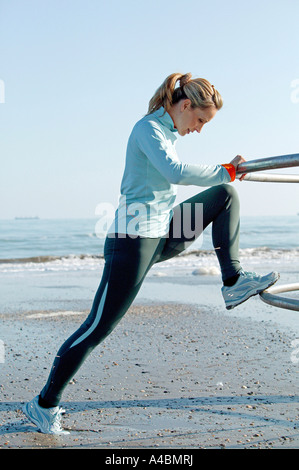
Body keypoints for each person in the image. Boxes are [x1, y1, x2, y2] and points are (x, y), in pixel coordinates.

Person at [23, 73, 279, 434]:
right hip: (132, 239)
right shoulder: (147, 129)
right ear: (186, 105)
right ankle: (43, 404)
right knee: (98, 327)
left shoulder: (168, 133)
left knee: (224, 195)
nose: (200, 129)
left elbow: (185, 176)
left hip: (163, 231)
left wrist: (228, 175)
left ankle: (233, 280)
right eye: (201, 120)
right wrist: (226, 170)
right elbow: (172, 172)